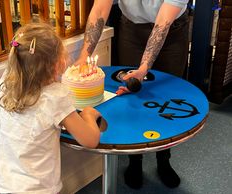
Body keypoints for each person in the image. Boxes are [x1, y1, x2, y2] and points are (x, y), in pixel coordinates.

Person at [74, 0, 189, 189]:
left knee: (165, 98)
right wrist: (83, 57)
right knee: (131, 96)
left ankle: (164, 159)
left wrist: (144, 68)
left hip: (172, 31)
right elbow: (100, 9)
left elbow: (163, 22)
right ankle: (135, 161)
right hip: (132, 30)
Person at [0, 23, 103, 194]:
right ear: (57, 64)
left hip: (4, 188)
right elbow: (90, 140)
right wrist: (89, 115)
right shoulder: (55, 97)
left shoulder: (2, 87)